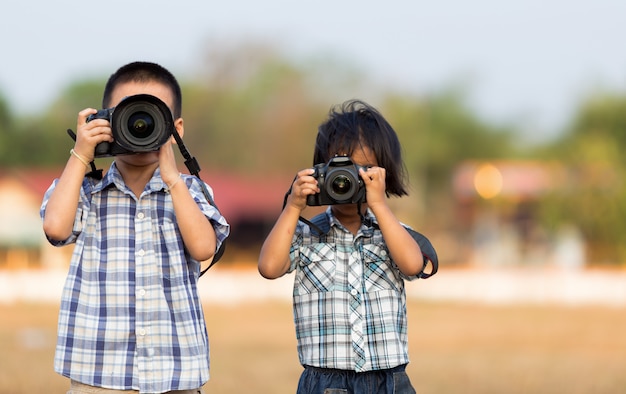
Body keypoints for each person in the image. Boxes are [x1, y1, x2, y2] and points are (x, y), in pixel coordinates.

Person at [40, 61, 230, 394]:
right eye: (128, 115)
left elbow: (204, 249)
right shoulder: (85, 190)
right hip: (97, 371)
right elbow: (55, 229)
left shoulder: (190, 191)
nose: (140, 125)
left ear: (177, 128)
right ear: (104, 121)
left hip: (175, 372)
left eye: (153, 116)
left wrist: (173, 178)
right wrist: (81, 154)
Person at [258, 99, 431, 394]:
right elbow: (269, 267)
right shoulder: (304, 234)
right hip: (326, 382)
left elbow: (413, 265)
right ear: (319, 171)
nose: (346, 179)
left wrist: (379, 204)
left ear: (383, 172)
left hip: (389, 380)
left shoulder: (392, 233)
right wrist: (292, 206)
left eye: (362, 169)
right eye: (338, 168)